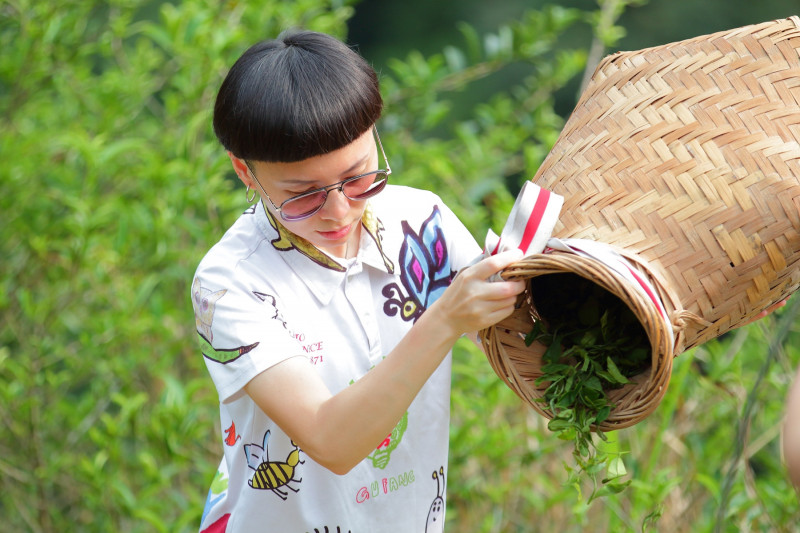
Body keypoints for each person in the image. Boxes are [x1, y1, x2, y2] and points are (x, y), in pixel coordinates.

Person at [191, 29, 525, 532]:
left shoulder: (421, 221)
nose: (338, 211)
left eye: (358, 176)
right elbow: (332, 441)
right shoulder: (227, 285)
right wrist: (445, 320)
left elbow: (524, 345)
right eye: (302, 195)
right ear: (246, 172)